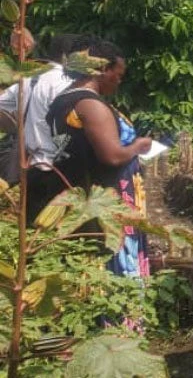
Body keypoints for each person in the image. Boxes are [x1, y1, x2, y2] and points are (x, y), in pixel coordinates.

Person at [27, 39, 152, 283]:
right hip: (104, 197)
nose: (119, 81)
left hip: (81, 192)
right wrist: (138, 146)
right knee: (111, 268)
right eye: (118, 74)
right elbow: (112, 155)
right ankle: (114, 320)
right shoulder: (90, 104)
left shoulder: (64, 99)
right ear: (103, 69)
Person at [0, 34, 84, 184]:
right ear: (67, 57)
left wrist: (20, 125)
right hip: (54, 168)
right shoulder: (68, 84)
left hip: (23, 165)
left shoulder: (27, 78)